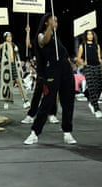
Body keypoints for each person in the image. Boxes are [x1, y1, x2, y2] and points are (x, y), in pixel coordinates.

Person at [23, 12, 77, 145]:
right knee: (47, 102)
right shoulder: (42, 35)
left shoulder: (57, 39)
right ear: (46, 22)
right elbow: (44, 41)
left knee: (68, 102)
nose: (56, 23)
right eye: (53, 20)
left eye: (57, 21)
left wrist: (72, 65)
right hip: (52, 71)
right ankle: (35, 132)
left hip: (66, 71)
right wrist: (49, 28)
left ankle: (67, 132)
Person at [0, 29, 30, 109]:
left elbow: (17, 57)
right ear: (5, 38)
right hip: (7, 66)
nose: (9, 37)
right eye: (8, 36)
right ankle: (6, 101)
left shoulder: (14, 45)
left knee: (19, 82)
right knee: (9, 84)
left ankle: (25, 101)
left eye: (10, 36)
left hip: (15, 66)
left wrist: (20, 67)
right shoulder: (4, 44)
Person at [76, 29, 102, 118]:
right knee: (92, 87)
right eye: (88, 34)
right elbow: (78, 58)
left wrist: (101, 63)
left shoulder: (97, 46)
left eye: (91, 34)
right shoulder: (82, 46)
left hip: (97, 67)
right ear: (85, 36)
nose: (90, 36)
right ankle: (97, 109)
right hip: (88, 67)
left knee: (99, 87)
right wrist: (83, 62)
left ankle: (92, 102)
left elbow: (99, 57)